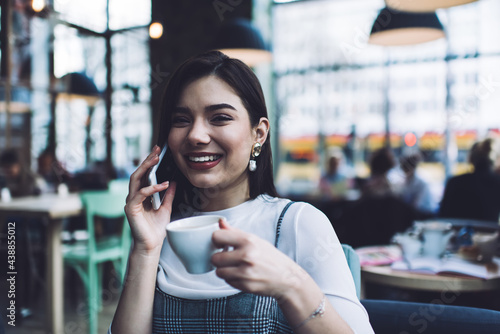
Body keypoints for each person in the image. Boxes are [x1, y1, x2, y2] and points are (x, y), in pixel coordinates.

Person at [110, 51, 373, 333]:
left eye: (220, 118)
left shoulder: (298, 223)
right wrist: (145, 250)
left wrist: (291, 283)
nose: (196, 135)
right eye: (182, 120)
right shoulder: (161, 230)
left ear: (258, 134)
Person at [439, 138, 500, 222]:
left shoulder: (454, 182)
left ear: (471, 159)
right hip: (490, 233)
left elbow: (443, 216)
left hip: (457, 233)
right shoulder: (497, 183)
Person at [397, 153, 436, 217]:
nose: (405, 172)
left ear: (413, 168)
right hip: (413, 213)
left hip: (426, 214)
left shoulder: (422, 183)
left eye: (406, 169)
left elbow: (417, 206)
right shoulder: (404, 181)